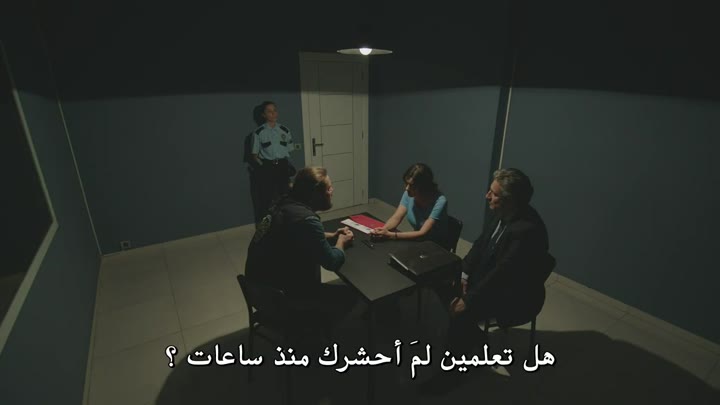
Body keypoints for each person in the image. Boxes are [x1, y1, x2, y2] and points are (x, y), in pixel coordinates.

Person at [422, 168, 554, 394]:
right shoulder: (505, 212)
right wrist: (463, 274)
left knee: (461, 313)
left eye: (493, 193)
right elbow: (480, 244)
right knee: (437, 278)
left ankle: (452, 372)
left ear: (509, 200)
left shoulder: (526, 231)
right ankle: (474, 336)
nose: (487, 196)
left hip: (514, 294)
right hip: (492, 280)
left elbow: (503, 275)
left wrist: (468, 300)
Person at [244, 166, 356, 316]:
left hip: (257, 291)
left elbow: (293, 235)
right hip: (281, 300)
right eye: (329, 188)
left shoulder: (282, 205)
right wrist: (342, 240)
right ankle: (309, 323)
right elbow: (332, 262)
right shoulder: (307, 219)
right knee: (352, 296)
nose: (332, 191)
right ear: (315, 195)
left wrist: (332, 235)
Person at [371, 163, 450, 248]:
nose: (407, 188)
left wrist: (391, 235)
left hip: (437, 245)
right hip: (418, 240)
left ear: (423, 186)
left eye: (412, 185)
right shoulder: (409, 194)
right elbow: (396, 217)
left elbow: (422, 233)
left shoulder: (440, 201)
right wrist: (384, 229)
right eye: (406, 183)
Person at [250, 101, 296, 222]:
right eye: (269, 111)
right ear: (263, 115)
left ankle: (286, 224)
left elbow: (289, 150)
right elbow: (254, 155)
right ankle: (268, 228)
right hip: (267, 167)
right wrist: (264, 167)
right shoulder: (259, 132)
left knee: (286, 197)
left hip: (282, 166)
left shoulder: (284, 130)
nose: (273, 113)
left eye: (274, 110)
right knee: (267, 200)